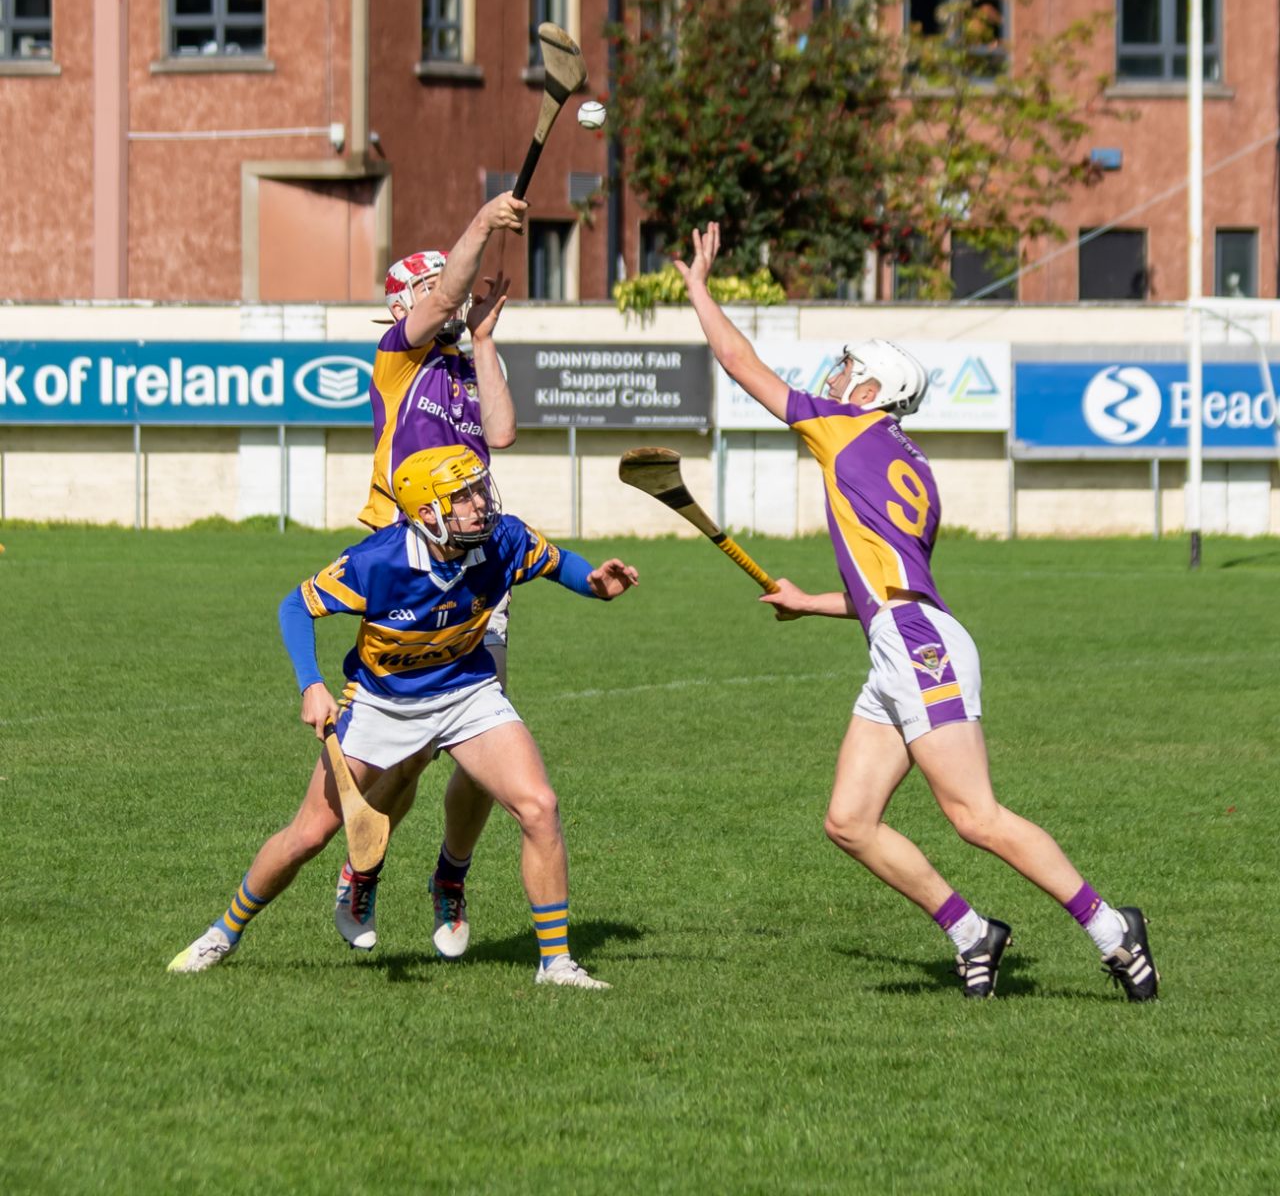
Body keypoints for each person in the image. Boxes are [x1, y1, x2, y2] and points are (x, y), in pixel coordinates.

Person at [673, 223, 1159, 1002]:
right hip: (901, 636)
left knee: (975, 815)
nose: (835, 377)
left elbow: (740, 364)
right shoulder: (910, 466)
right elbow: (890, 584)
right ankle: (972, 931)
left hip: (916, 642)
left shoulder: (848, 429)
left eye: (848, 370)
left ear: (875, 391)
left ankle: (1113, 929)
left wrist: (698, 285)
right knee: (849, 820)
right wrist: (813, 601)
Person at [168, 445, 638, 987]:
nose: (479, 504)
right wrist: (312, 684)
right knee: (310, 834)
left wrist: (594, 583)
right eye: (460, 497)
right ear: (426, 514)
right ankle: (222, 934)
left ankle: (555, 964)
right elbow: (295, 606)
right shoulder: (376, 562)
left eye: (478, 490)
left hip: (467, 691)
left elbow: (557, 562)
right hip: (380, 703)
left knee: (539, 806)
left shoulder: (503, 538)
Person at [339, 191, 526, 962]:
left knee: (482, 748)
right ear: (404, 304)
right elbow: (452, 287)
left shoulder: (461, 364)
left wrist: (484, 341)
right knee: (410, 754)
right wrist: (479, 223)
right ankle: (364, 865)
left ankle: (451, 875)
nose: (440, 295)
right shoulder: (399, 356)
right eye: (426, 289)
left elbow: (504, 433)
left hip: (479, 568)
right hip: (406, 566)